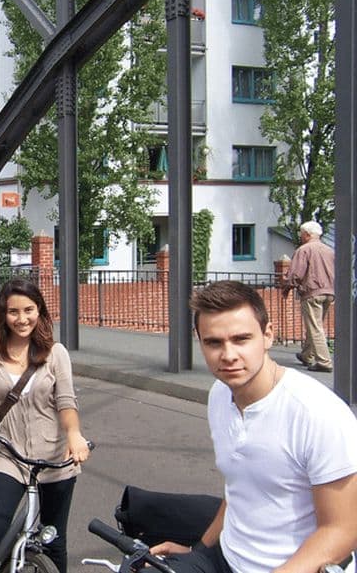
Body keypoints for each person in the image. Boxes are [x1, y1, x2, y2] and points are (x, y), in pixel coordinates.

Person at [151, 280, 357, 573]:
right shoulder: (220, 395)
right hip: (227, 558)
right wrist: (198, 553)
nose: (229, 355)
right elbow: (239, 489)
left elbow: (342, 530)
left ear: (268, 335)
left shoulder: (318, 413)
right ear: (200, 342)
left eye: (241, 339)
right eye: (214, 342)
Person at [0, 278, 90, 573]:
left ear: (39, 311)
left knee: (54, 543)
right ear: (3, 314)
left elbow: (66, 403)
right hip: (10, 456)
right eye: (14, 312)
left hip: (56, 460)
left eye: (29, 310)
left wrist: (74, 434)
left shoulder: (56, 353)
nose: (22, 319)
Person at [282, 221, 335, 372]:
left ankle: (324, 362)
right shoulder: (329, 250)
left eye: (301, 233)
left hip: (312, 292)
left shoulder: (304, 250)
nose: (300, 236)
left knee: (315, 327)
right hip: (329, 292)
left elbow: (296, 274)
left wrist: (286, 286)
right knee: (316, 325)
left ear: (307, 234)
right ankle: (306, 355)